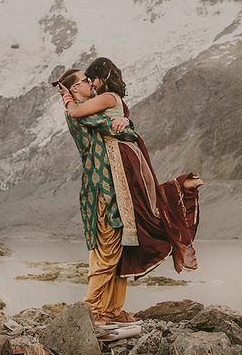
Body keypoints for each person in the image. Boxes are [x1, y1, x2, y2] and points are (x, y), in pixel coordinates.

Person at [54, 60, 201, 327]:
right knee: (106, 249)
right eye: (85, 81)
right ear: (75, 88)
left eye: (91, 79)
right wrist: (68, 99)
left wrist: (125, 119)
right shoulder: (80, 113)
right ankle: (92, 310)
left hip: (116, 187)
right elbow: (108, 124)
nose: (90, 83)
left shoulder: (96, 106)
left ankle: (110, 310)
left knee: (119, 249)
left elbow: (119, 125)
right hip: (103, 190)